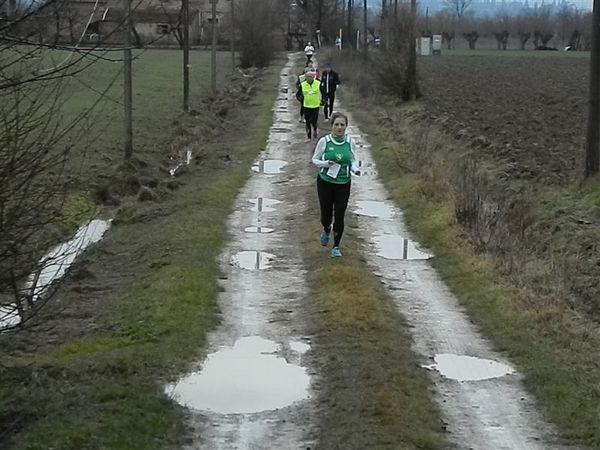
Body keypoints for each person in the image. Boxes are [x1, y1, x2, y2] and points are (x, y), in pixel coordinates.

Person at [311, 112, 360, 258]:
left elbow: (352, 159)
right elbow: (315, 159)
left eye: (342, 125)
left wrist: (355, 169)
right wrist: (325, 163)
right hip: (325, 181)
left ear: (346, 127)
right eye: (336, 124)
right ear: (331, 126)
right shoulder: (324, 141)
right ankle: (326, 229)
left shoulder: (350, 142)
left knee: (340, 214)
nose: (339, 127)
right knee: (326, 215)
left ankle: (336, 246)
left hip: (343, 182)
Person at [296, 71, 321, 143]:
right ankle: (309, 137)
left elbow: (323, 92)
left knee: (313, 121)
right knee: (307, 122)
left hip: (315, 105)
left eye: (310, 77)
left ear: (313, 77)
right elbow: (298, 94)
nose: (309, 78)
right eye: (307, 77)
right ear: (305, 77)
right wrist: (299, 98)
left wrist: (323, 100)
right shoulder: (303, 84)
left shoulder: (318, 83)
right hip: (306, 105)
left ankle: (315, 129)